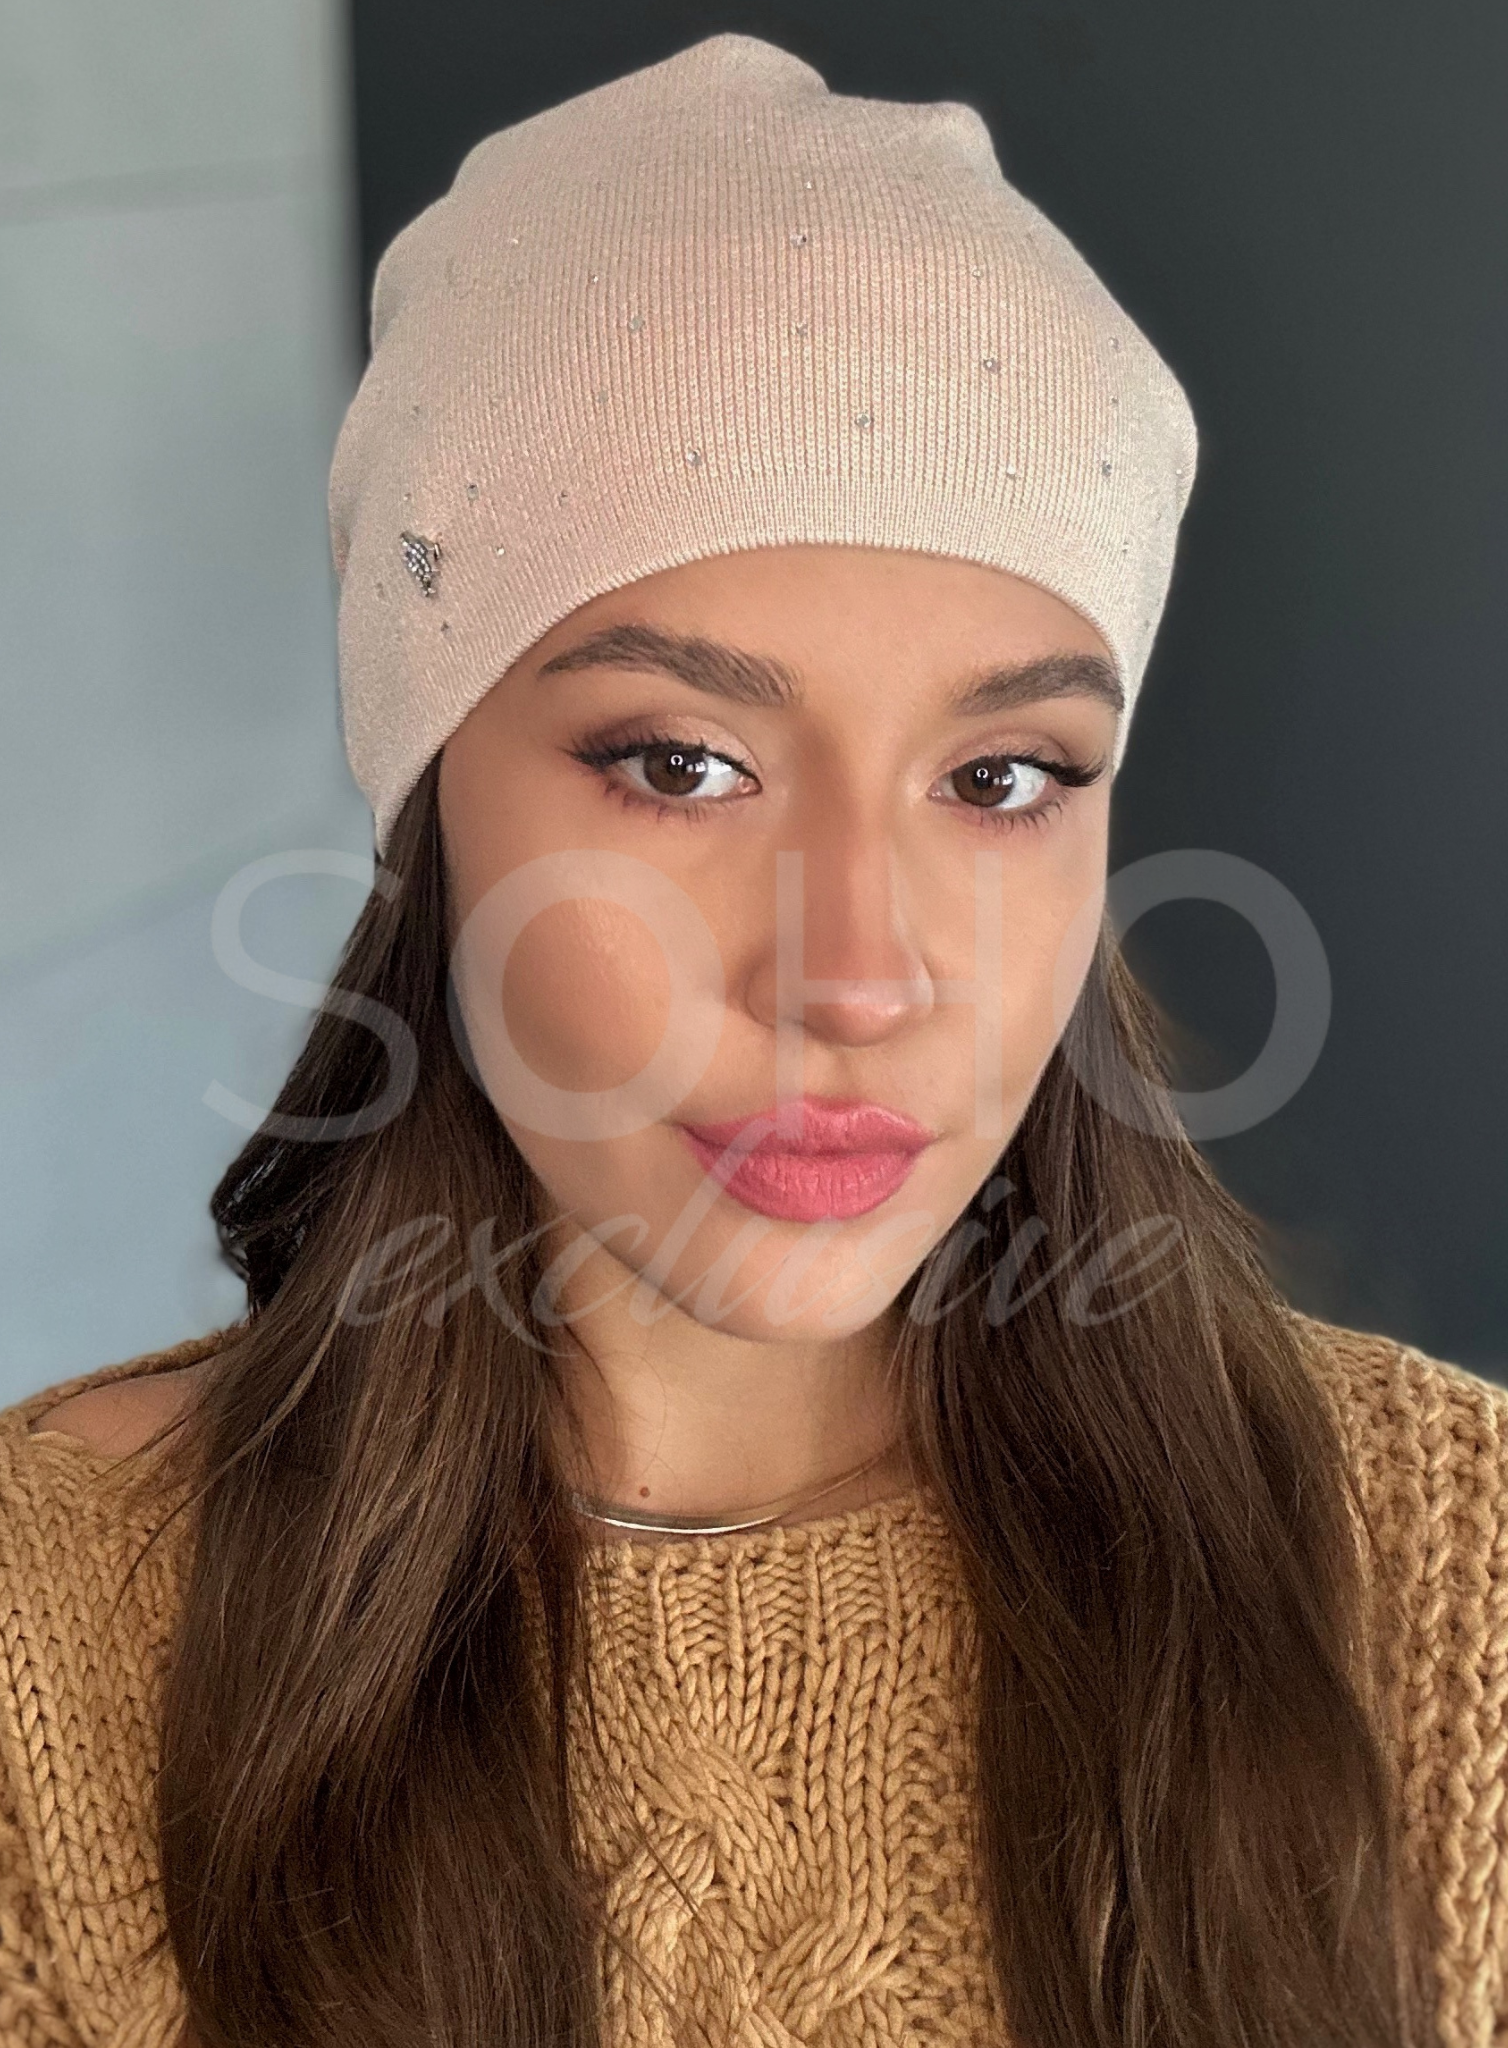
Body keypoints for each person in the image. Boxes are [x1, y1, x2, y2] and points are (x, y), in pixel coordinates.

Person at [0, 30, 1503, 2048]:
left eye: (1002, 776)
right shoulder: (49, 1645)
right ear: (433, 806)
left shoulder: (1451, 1578)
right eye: (680, 762)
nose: (858, 977)